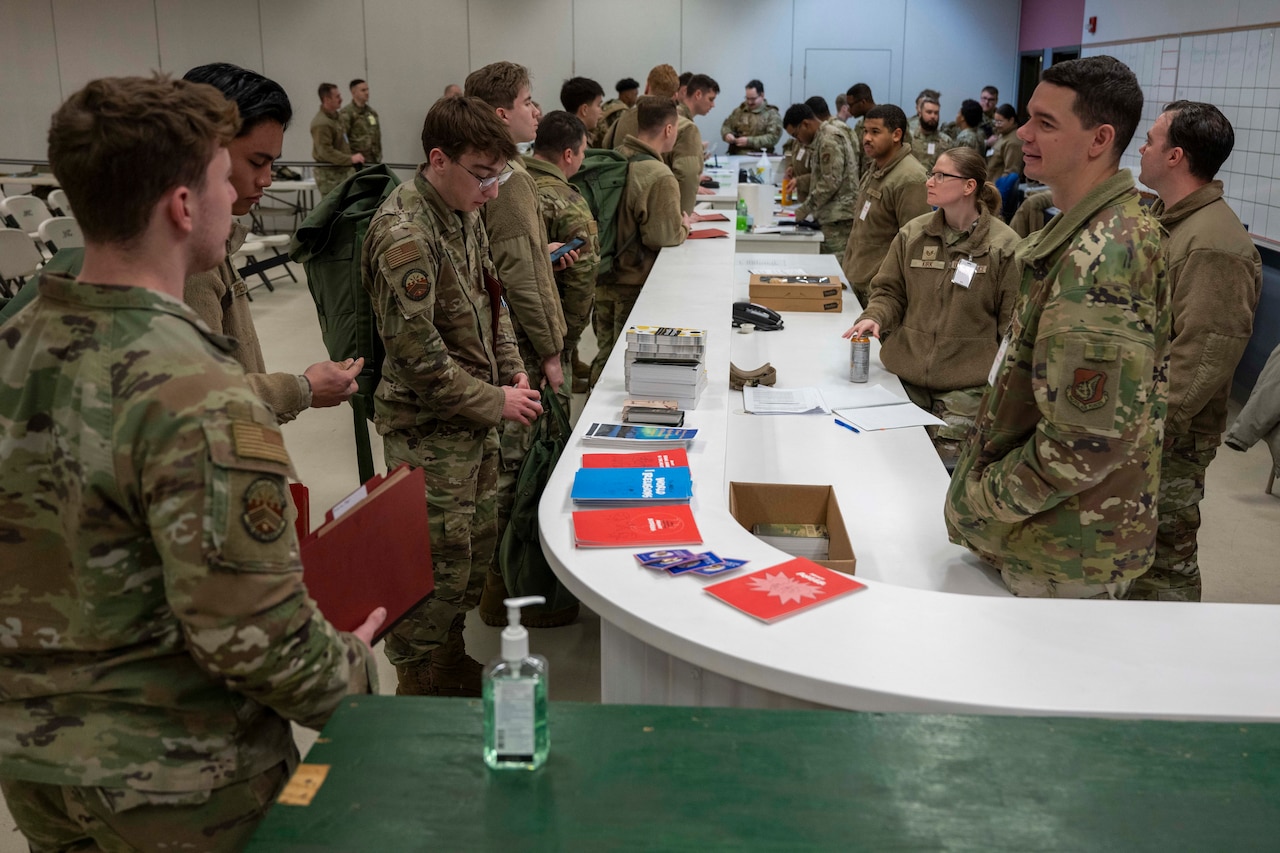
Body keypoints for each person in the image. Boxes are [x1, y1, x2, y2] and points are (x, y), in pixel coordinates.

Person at [0, 74, 382, 851]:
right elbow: (255, 637)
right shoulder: (202, 391)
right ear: (181, 205)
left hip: (36, 764)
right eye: (223, 179)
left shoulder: (16, 344)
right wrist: (359, 675)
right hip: (176, 782)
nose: (237, 197)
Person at [0, 63, 363, 423]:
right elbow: (207, 404)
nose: (266, 180)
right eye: (230, 171)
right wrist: (303, 389)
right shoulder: (183, 272)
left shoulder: (31, 337)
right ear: (184, 192)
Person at [945, 56, 1170, 599]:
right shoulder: (1079, 230)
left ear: (1100, 140)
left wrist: (984, 497)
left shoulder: (1106, 250)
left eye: (1046, 123)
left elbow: (1085, 442)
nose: (1024, 133)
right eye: (1028, 118)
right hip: (1044, 536)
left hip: (1064, 551)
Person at [362, 95, 540, 694]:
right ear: (438, 160)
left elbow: (495, 307)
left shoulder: (462, 212)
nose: (492, 191)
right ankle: (415, 677)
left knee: (470, 556)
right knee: (429, 566)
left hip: (472, 421)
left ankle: (451, 656)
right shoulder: (404, 237)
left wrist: (512, 370)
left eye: (499, 177)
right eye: (483, 176)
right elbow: (419, 363)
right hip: (428, 431)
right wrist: (498, 403)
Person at [1132, 101, 1263, 601]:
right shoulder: (1170, 220)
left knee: (1164, 563)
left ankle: (1175, 665)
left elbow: (1202, 359)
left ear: (1175, 156)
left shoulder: (1213, 243)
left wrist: (1146, 434)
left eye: (1150, 141)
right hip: (1145, 426)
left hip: (1169, 440)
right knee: (1136, 553)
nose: (1140, 149)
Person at [465, 62, 578, 627]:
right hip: (521, 352)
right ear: (500, 113)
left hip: (513, 342)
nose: (537, 111)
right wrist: (554, 350)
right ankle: (506, 598)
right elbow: (521, 279)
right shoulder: (506, 185)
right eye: (528, 101)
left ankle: (500, 593)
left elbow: (520, 260)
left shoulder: (508, 177)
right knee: (515, 475)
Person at [843, 148, 1020, 466]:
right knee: (882, 458)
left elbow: (1011, 330)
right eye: (931, 173)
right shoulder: (914, 234)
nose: (930, 182)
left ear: (968, 187)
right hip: (905, 373)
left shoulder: (1004, 247)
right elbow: (889, 292)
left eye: (941, 175)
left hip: (965, 385)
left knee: (944, 470)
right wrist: (874, 316)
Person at [590, 96, 692, 385]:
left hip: (604, 274)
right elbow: (663, 237)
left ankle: (585, 417)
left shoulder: (614, 157)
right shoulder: (659, 175)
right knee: (623, 363)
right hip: (633, 282)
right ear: (669, 130)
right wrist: (683, 227)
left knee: (604, 352)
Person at [526, 111, 601, 400]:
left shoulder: (507, 184)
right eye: (583, 152)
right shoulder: (568, 204)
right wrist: (565, 342)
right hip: (548, 335)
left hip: (505, 332)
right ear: (568, 154)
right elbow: (582, 280)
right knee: (547, 427)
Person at [840, 104, 930, 305]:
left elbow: (915, 243)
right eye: (865, 131)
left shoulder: (910, 178)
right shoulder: (876, 168)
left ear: (896, 135)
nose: (866, 138)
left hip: (881, 293)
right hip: (858, 281)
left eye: (875, 132)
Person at [784, 103, 857, 257]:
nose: (798, 140)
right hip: (830, 216)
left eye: (796, 135)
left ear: (806, 124)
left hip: (838, 218)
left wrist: (804, 209)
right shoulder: (821, 138)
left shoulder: (829, 140)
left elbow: (830, 182)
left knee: (835, 271)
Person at [672, 73, 720, 213]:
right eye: (710, 99)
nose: (713, 105)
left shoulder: (680, 116)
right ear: (698, 94)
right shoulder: (681, 120)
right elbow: (681, 170)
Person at [603, 64, 678, 149]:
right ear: (675, 96)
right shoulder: (681, 126)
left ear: (647, 87)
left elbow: (606, 144)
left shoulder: (624, 118)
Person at [310, 82, 363, 197]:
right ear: (327, 99)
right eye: (337, 96)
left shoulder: (337, 117)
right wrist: (350, 159)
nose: (341, 99)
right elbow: (325, 152)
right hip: (330, 178)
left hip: (342, 173)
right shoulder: (321, 123)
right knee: (332, 211)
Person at [720, 79, 783, 154]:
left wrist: (749, 141)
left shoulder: (772, 114)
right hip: (737, 156)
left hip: (761, 157)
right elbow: (726, 126)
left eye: (753, 99)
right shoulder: (739, 111)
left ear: (762, 95)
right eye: (747, 98)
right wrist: (727, 134)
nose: (749, 102)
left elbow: (773, 138)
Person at [341, 78, 382, 165]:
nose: (367, 93)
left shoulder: (371, 113)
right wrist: (349, 157)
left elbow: (377, 135)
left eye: (367, 89)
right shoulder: (347, 113)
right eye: (363, 90)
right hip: (357, 162)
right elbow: (343, 138)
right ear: (353, 92)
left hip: (373, 161)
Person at [909, 96, 954, 172]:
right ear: (920, 113)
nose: (933, 116)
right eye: (929, 112)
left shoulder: (946, 141)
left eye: (936, 113)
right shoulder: (909, 137)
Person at [596, 77, 638, 147]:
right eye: (635, 94)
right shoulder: (623, 111)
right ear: (628, 95)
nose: (636, 98)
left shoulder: (607, 105)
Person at [845, 82, 876, 179]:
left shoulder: (888, 120)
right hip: (863, 181)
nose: (849, 110)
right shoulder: (859, 126)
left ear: (863, 102)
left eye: (851, 105)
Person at [987, 103, 1023, 178]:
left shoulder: (1013, 142)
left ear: (1011, 120)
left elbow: (1011, 172)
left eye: (1000, 122)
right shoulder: (1002, 134)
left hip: (998, 186)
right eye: (995, 121)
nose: (996, 125)